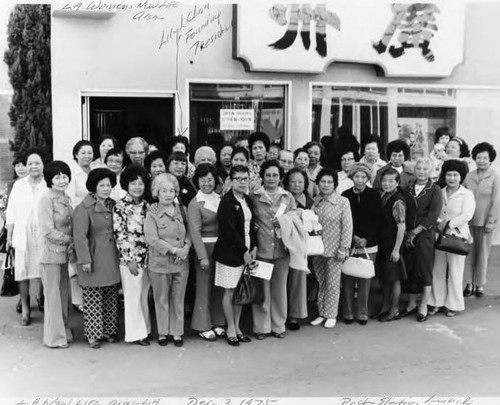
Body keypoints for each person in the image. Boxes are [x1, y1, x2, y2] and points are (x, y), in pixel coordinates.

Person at [73, 168, 121, 349]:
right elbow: (79, 236)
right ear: (94, 187)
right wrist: (85, 259)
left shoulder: (113, 204)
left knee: (110, 293)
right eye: (102, 185)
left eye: (108, 185)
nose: (106, 188)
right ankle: (93, 335)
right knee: (93, 295)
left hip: (111, 256)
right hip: (94, 256)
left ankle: (108, 331)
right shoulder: (84, 208)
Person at [144, 173, 192, 347]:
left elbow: (190, 232)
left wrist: (185, 249)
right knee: (161, 298)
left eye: (171, 190)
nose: (168, 194)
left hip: (181, 263)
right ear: (157, 192)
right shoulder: (152, 212)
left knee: (178, 299)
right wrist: (174, 251)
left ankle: (177, 333)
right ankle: (163, 332)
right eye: (164, 190)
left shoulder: (182, 210)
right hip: (160, 263)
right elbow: (152, 238)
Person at [250, 160, 296, 339]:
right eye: (268, 175)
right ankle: (261, 328)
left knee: (279, 290)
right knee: (261, 291)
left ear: (280, 177)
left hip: (282, 250)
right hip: (259, 250)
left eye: (275, 175)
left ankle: (278, 326)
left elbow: (294, 217)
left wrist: (284, 221)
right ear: (262, 176)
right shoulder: (254, 195)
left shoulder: (288, 197)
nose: (271, 178)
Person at [213, 166, 258, 346]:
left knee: (241, 291)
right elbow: (229, 231)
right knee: (230, 291)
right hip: (230, 253)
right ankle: (230, 327)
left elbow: (252, 226)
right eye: (238, 178)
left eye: (245, 179)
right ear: (231, 181)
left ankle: (238, 327)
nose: (242, 182)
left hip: (247, 251)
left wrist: (253, 247)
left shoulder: (247, 199)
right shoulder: (226, 201)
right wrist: (244, 252)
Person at [5, 148, 48, 326]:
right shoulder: (19, 185)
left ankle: (42, 297)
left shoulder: (48, 184)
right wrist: (9, 235)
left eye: (37, 163)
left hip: (44, 234)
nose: (33, 166)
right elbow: (12, 212)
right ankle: (25, 307)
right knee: (22, 272)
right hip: (23, 234)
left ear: (43, 164)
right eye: (30, 163)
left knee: (44, 269)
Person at [428, 160, 475, 317]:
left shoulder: (467, 194)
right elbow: (434, 211)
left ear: (461, 177)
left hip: (458, 236)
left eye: (455, 175)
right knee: (437, 270)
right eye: (449, 174)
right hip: (439, 235)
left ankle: (453, 305)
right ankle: (436, 302)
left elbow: (467, 215)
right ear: (444, 175)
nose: (452, 178)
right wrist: (440, 223)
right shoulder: (439, 192)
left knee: (455, 271)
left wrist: (449, 225)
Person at [36, 160, 74, 348]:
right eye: (57, 176)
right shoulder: (46, 198)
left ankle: (64, 331)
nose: (61, 180)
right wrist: (71, 240)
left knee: (63, 293)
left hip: (64, 254)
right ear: (49, 179)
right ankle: (54, 338)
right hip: (50, 254)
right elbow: (47, 230)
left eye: (64, 176)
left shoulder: (65, 197)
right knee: (53, 296)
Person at [112, 164, 151, 346]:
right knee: (132, 296)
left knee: (143, 295)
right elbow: (120, 235)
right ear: (126, 185)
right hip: (131, 261)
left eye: (141, 183)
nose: (137, 187)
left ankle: (146, 330)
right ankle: (136, 334)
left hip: (148, 258)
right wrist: (129, 260)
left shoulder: (148, 205)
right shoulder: (120, 207)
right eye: (133, 183)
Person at [310, 168, 353, 329]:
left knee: (333, 283)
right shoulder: (315, 201)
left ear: (335, 184)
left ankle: (331, 314)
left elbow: (347, 226)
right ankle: (322, 313)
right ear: (318, 183)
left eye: (329, 182)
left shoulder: (343, 202)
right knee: (321, 282)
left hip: (336, 250)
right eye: (323, 181)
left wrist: (344, 248)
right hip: (317, 249)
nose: (326, 185)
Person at [188, 164, 226, 341]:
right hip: (204, 248)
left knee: (219, 285)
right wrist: (202, 256)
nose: (207, 183)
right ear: (197, 181)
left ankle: (218, 321)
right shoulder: (195, 203)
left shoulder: (221, 198)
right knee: (204, 286)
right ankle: (202, 325)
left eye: (210, 179)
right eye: (203, 180)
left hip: (221, 247)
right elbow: (194, 232)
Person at [402, 158, 443, 322]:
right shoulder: (408, 188)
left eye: (425, 169)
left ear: (430, 171)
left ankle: (423, 305)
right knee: (411, 268)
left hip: (424, 235)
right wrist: (407, 232)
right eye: (419, 168)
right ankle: (411, 303)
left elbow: (433, 215)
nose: (421, 171)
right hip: (408, 235)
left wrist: (416, 232)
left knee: (424, 269)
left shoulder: (435, 190)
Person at [341, 163, 381, 326]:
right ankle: (348, 313)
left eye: (363, 177)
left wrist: (366, 238)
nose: (360, 180)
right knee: (348, 279)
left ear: (368, 178)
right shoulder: (345, 195)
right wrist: (353, 237)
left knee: (365, 280)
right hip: (349, 242)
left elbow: (377, 220)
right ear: (352, 177)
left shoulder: (374, 195)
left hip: (368, 244)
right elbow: (344, 220)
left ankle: (363, 313)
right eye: (357, 176)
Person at [463, 143, 500, 298]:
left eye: (485, 158)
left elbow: (497, 201)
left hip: (486, 222)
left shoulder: (495, 176)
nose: (482, 160)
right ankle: (469, 283)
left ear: (490, 160)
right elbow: (462, 195)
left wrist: (491, 221)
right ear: (474, 159)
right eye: (479, 157)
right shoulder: (469, 176)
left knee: (483, 254)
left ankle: (479, 284)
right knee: (469, 254)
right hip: (469, 222)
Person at [67, 140, 95, 313]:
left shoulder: (95, 171)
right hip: (78, 219)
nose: (87, 155)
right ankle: (78, 300)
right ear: (76, 154)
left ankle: (89, 297)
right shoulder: (72, 174)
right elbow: (70, 200)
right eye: (83, 152)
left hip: (94, 220)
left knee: (89, 257)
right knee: (75, 261)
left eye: (90, 152)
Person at [375, 167, 407, 322]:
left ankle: (394, 310)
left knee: (394, 278)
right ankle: (385, 307)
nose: (386, 183)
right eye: (384, 180)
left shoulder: (398, 201)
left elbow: (401, 227)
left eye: (390, 181)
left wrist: (396, 250)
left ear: (397, 182)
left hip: (393, 246)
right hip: (383, 244)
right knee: (385, 277)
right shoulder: (384, 195)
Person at [282, 168, 311, 330]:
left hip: (302, 246)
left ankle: (294, 316)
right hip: (285, 243)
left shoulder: (310, 201)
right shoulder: (283, 198)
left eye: (300, 181)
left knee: (298, 281)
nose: (297, 185)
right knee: (283, 281)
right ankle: (282, 314)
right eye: (293, 181)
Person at [0, 153, 28, 315]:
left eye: (23, 164)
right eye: (17, 165)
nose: (20, 168)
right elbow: (4, 207)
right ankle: (22, 298)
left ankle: (40, 296)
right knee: (19, 268)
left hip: (31, 230)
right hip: (15, 230)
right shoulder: (12, 185)